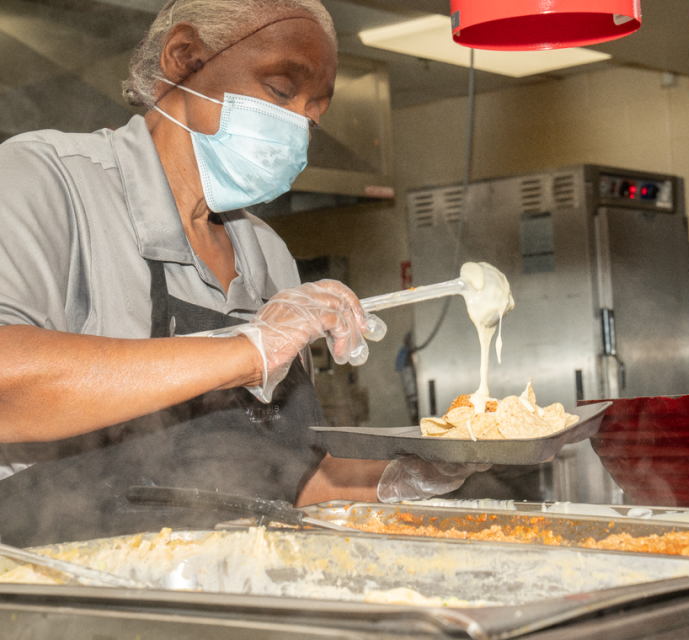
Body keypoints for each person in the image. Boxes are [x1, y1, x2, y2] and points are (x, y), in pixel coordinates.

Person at [0, 0, 400, 547]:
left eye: (312, 115)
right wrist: (248, 351)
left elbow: (283, 475)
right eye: (281, 91)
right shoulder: (45, 181)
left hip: (228, 592)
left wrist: (403, 479)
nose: (295, 131)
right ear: (184, 58)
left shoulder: (267, 254)